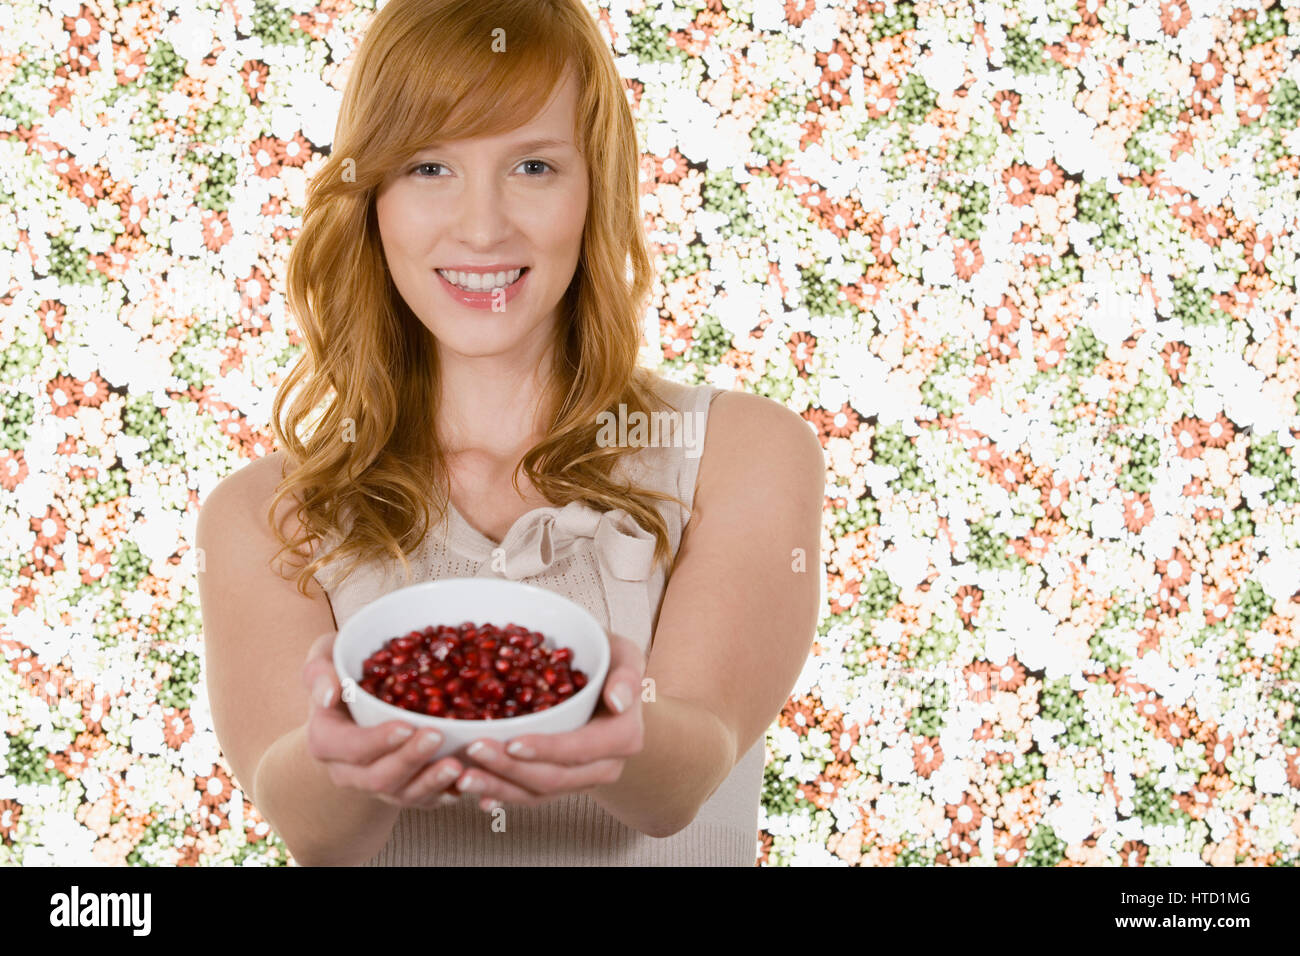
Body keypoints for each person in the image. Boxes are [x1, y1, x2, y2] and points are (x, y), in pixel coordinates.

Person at [197, 0, 824, 866]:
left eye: (533, 165)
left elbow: (685, 779)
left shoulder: (741, 453)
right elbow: (311, 829)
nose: (484, 227)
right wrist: (347, 757)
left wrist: (593, 713)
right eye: (428, 168)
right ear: (371, 197)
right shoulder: (266, 511)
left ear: (593, 188)